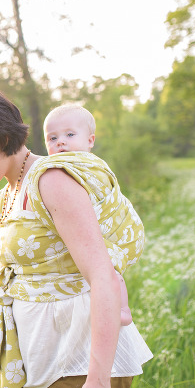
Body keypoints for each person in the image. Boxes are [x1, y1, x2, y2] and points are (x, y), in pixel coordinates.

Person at [0, 87, 152, 388]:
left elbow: (103, 276)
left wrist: (98, 383)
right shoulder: (6, 196)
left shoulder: (51, 182)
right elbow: (10, 287)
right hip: (24, 352)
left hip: (76, 359)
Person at [43, 103, 133, 326]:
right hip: (81, 224)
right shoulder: (56, 167)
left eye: (70, 134)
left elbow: (103, 188)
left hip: (103, 223)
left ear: (90, 141)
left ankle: (122, 308)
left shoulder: (90, 164)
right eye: (52, 138)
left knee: (107, 266)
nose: (60, 141)